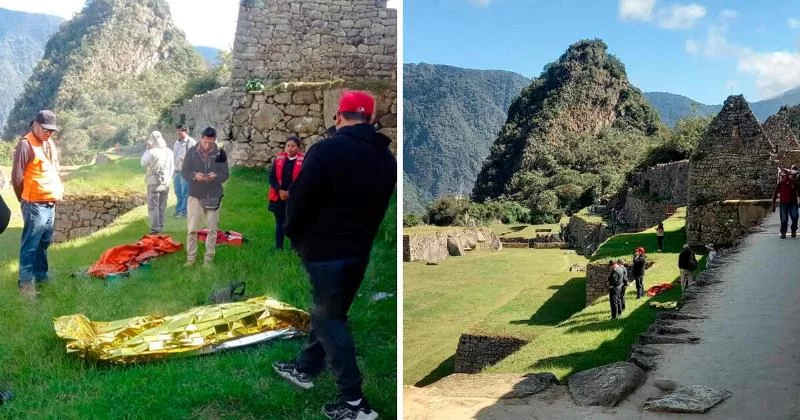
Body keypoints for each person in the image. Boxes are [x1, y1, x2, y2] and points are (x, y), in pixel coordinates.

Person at [273, 91, 395, 420]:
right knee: (330, 311)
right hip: (359, 252)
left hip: (325, 250)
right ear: (370, 119)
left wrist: (294, 234)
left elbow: (299, 198)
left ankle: (355, 403)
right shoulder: (386, 159)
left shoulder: (325, 151)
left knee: (330, 318)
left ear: (338, 117)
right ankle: (306, 366)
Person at [10, 110, 64, 298]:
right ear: (36, 125)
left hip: (49, 203)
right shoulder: (25, 145)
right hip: (34, 204)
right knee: (30, 245)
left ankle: (41, 276)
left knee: (44, 242)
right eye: (46, 129)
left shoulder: (47, 144)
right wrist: (24, 200)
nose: (49, 133)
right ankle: (25, 284)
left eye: (51, 131)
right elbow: (17, 177)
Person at [182, 127, 228, 266]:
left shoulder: (220, 153)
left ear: (215, 140)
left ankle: (208, 259)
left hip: (214, 194)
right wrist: (195, 176)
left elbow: (225, 174)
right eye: (205, 142)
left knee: (212, 230)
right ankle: (191, 258)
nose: (208, 145)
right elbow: (184, 171)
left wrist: (216, 176)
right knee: (192, 229)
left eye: (211, 142)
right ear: (201, 138)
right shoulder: (191, 152)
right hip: (195, 194)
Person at [267, 136, 304, 250]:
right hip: (279, 196)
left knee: (294, 222)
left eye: (293, 146)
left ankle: (295, 248)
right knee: (279, 222)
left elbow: (304, 179)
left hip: (294, 197)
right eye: (288, 146)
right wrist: (279, 190)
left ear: (298, 147)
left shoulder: (304, 161)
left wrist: (290, 192)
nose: (290, 148)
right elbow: (272, 177)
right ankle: (279, 247)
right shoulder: (279, 159)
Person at [140, 131, 174, 234]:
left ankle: (155, 229)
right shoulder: (169, 151)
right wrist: (168, 179)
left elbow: (142, 163)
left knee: (153, 206)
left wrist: (147, 150)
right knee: (162, 205)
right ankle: (161, 225)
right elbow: (172, 167)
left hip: (154, 182)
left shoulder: (151, 152)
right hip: (166, 182)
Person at [172, 125, 196, 218]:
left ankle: (183, 212)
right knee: (178, 192)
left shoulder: (191, 142)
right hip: (176, 171)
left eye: (180, 131)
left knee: (185, 193)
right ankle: (178, 210)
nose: (178, 133)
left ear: (186, 131)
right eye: (177, 131)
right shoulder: (177, 142)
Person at [772, 169, 799, 239]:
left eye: (784, 176)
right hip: (783, 204)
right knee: (784, 219)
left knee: (795, 216)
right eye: (781, 176)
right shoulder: (780, 184)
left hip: (793, 203)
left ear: (787, 176)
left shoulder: (794, 183)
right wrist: (773, 206)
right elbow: (774, 195)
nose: (782, 177)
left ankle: (793, 230)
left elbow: (799, 192)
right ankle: (783, 232)